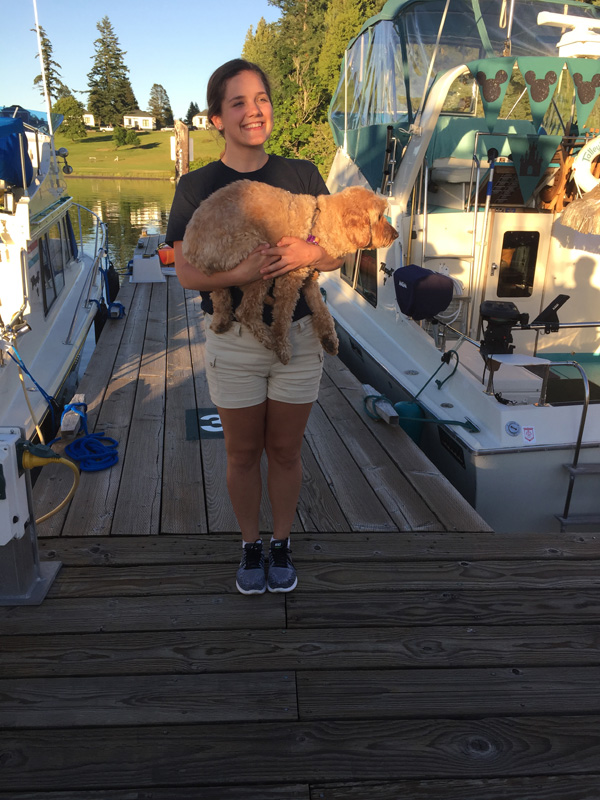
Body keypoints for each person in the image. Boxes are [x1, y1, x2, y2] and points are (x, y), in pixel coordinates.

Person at [165, 59, 343, 595]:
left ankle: (281, 543)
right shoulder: (196, 186)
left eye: (261, 98)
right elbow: (184, 271)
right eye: (238, 102)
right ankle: (249, 545)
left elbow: (336, 252)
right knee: (242, 453)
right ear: (217, 118)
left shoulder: (302, 175)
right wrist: (239, 275)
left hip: (299, 337)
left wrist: (312, 253)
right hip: (234, 342)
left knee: (286, 451)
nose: (254, 111)